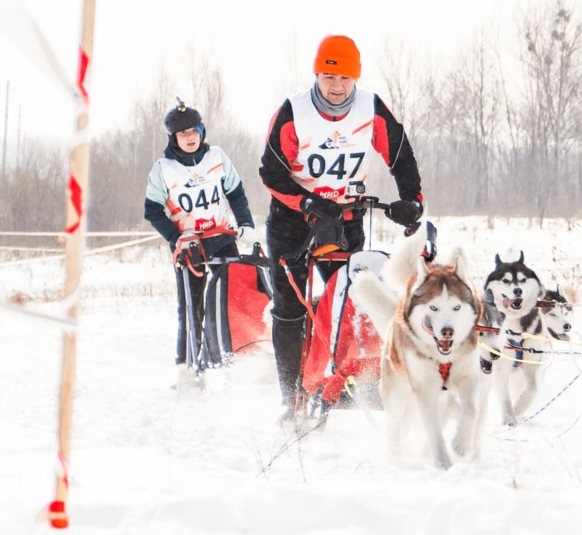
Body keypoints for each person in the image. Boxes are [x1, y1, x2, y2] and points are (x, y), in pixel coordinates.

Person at [260, 34, 424, 418]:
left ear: (356, 78)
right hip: (293, 221)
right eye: (328, 77)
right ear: (317, 74)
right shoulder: (294, 111)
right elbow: (271, 172)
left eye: (345, 78)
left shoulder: (371, 108)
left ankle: (345, 385)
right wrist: (308, 202)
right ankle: (292, 398)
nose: (336, 87)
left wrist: (411, 201)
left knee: (350, 304)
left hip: (346, 221)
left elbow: (400, 155)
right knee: (290, 309)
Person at [144, 99, 256, 369]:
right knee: (192, 307)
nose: (190, 138)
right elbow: (153, 210)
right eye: (183, 134)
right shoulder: (163, 169)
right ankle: (187, 363)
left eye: (194, 131)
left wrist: (246, 224)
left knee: (230, 300)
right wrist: (176, 238)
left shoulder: (217, 157)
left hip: (222, 237)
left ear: (202, 131)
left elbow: (236, 193)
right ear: (174, 138)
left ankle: (235, 355)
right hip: (189, 245)